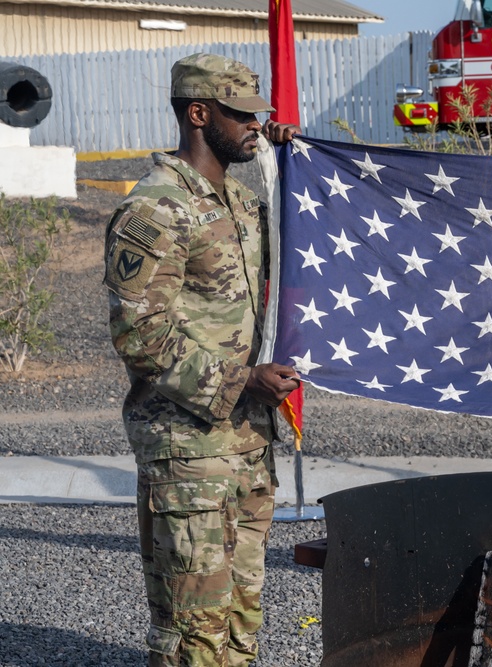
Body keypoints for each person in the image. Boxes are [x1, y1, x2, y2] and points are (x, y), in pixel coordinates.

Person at [103, 53, 302, 666]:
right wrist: (242, 380)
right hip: (188, 450)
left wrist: (293, 165)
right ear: (198, 113)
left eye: (257, 115)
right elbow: (141, 335)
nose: (254, 125)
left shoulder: (239, 201)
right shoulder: (155, 208)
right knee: (194, 632)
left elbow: (295, 251)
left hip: (245, 441)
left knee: (241, 620)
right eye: (240, 115)